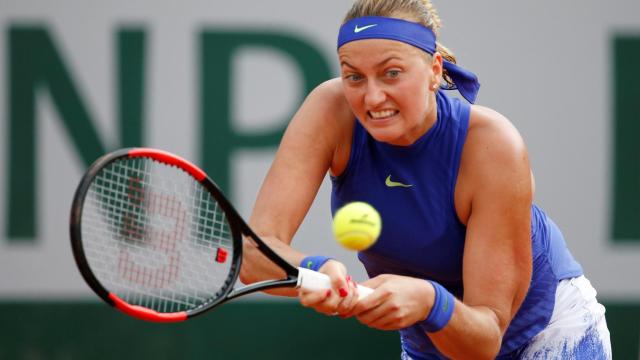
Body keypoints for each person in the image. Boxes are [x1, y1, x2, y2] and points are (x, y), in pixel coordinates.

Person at [240, 0, 612, 358]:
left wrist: (429, 301)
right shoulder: (330, 110)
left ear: (434, 70)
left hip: (548, 331)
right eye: (353, 76)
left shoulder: (492, 145)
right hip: (432, 345)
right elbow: (254, 255)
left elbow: (484, 340)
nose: (371, 97)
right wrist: (315, 271)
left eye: (391, 73)